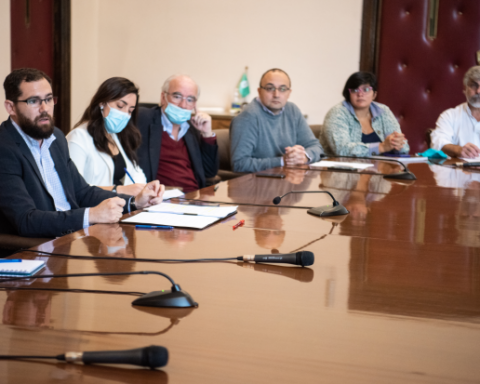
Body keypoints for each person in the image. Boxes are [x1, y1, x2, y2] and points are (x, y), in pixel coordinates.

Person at [0, 68, 165, 239]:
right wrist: (91, 215)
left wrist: (135, 201)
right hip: (36, 248)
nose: (45, 109)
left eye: (48, 99)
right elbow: (26, 221)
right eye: (33, 101)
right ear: (11, 107)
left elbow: (82, 192)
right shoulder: (5, 148)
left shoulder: (55, 137)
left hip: (73, 236)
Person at [230, 68, 323, 173]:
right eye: (270, 88)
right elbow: (239, 164)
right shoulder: (247, 117)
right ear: (259, 91)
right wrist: (283, 161)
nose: (276, 94)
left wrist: (304, 156)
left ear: (289, 93)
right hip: (257, 185)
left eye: (283, 89)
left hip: (288, 181)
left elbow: (316, 147)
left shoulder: (293, 111)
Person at [137, 74, 219, 192]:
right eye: (177, 96)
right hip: (160, 199)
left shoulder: (193, 128)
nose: (183, 105)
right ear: (163, 97)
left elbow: (209, 172)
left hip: (194, 198)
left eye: (190, 99)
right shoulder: (143, 119)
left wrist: (206, 134)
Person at [66, 77, 147, 196]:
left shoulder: (116, 136)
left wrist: (147, 190)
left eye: (130, 110)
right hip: (94, 210)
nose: (125, 114)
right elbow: (74, 188)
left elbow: (136, 175)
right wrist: (118, 190)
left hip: (121, 208)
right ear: (102, 103)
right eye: (120, 106)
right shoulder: (78, 138)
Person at [320, 71, 409, 156]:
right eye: (355, 90)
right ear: (348, 94)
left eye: (366, 89)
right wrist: (381, 147)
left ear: (374, 94)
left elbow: (404, 147)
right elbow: (341, 149)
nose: (360, 94)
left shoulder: (383, 111)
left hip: (380, 168)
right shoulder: (337, 113)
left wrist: (397, 144)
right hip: (340, 169)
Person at [431, 66, 480, 158]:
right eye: (474, 85)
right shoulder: (449, 116)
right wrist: (458, 150)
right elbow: (437, 143)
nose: (478, 91)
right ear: (465, 88)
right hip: (460, 171)